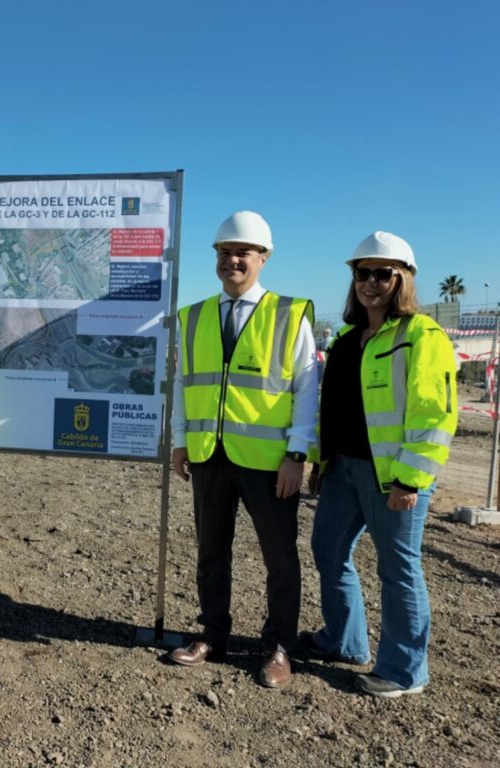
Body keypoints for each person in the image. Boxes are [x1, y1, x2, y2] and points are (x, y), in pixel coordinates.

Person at [302, 232, 456, 698]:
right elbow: (335, 408)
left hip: (392, 478)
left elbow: (435, 415)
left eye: (382, 273)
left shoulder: (422, 337)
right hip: (342, 471)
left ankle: (404, 671)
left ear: (402, 278)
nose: (370, 282)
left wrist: (410, 478)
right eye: (361, 272)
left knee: (398, 571)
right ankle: (344, 642)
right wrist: (320, 460)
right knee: (328, 552)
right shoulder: (349, 338)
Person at [168, 211, 318, 688]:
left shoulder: (289, 314)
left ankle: (278, 647)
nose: (232, 260)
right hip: (210, 455)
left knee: (279, 557)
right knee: (211, 552)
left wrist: (297, 454)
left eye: (242, 253)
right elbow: (182, 382)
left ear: (263, 258)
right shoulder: (193, 318)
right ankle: (213, 634)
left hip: (269, 462)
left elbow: (307, 389)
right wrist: (178, 441)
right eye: (224, 252)